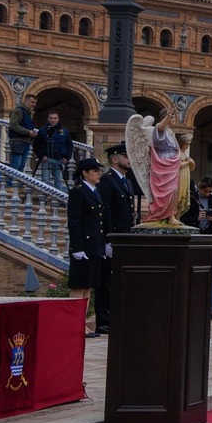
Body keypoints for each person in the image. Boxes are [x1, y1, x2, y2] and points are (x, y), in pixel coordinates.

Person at [94, 142, 141, 336]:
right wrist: (108, 239)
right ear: (115, 159)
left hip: (124, 237)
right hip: (113, 237)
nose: (129, 160)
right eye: (126, 156)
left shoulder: (126, 181)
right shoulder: (107, 180)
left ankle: (115, 316)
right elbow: (104, 211)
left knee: (118, 281)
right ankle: (104, 321)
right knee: (106, 281)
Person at [66, 157, 106, 337]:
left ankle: (81, 322)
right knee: (79, 286)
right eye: (95, 171)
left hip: (95, 245)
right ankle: (73, 323)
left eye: (99, 171)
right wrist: (77, 247)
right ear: (84, 173)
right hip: (84, 245)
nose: (99, 174)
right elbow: (74, 222)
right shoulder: (79, 192)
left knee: (89, 286)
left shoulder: (95, 192)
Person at [181, 176, 212, 321]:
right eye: (205, 191)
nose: (207, 194)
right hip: (195, 239)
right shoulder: (190, 199)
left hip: (211, 239)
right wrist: (197, 219)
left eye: (210, 191)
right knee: (193, 274)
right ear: (199, 188)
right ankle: (195, 308)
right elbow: (181, 219)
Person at [33, 110, 71, 187]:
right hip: (47, 158)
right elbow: (36, 145)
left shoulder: (65, 131)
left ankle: (57, 199)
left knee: (59, 181)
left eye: (55, 118)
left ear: (58, 119)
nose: (53, 120)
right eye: (51, 118)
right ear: (48, 119)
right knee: (45, 182)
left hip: (60, 159)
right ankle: (45, 198)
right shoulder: (42, 131)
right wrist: (41, 156)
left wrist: (67, 158)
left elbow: (70, 145)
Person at [7, 93, 36, 173]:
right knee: (16, 164)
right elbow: (13, 125)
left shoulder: (28, 113)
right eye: (32, 102)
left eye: (35, 103)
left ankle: (17, 184)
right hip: (18, 141)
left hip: (25, 141)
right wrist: (27, 132)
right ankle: (11, 183)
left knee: (22, 165)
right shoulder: (19, 111)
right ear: (26, 101)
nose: (34, 104)